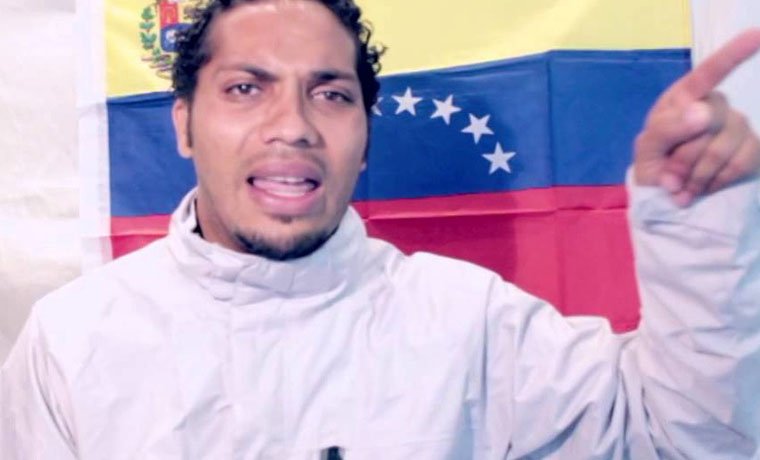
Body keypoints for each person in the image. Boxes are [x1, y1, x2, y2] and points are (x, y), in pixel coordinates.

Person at [2, 0, 760, 458]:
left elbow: (686, 435)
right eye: (245, 89)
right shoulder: (73, 339)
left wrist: (698, 222)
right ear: (183, 125)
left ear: (365, 138)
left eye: (329, 95)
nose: (292, 126)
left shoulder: (472, 325)